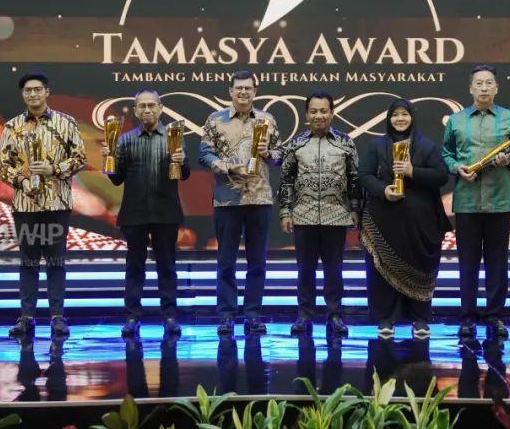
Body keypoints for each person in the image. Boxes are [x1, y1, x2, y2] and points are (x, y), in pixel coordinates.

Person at [0, 71, 86, 338]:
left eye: (37, 89)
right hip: (26, 205)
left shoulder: (66, 123)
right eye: (28, 90)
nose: (33, 94)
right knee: (28, 262)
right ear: (22, 94)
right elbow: (2, 165)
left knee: (56, 261)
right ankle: (26, 318)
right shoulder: (12, 126)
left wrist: (53, 169)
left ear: (47, 92)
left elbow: (79, 158)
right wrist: (21, 180)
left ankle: (57, 317)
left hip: (56, 204)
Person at [441, 65, 510, 339]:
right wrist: (457, 168)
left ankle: (494, 316)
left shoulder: (509, 118)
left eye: (489, 83)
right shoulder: (456, 121)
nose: (484, 88)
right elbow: (446, 154)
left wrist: (508, 160)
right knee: (467, 264)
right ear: (470, 88)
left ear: (496, 88)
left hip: (499, 201)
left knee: (497, 263)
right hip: (466, 201)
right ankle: (467, 318)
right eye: (479, 83)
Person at [199, 70, 283, 335]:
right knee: (226, 262)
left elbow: (280, 155)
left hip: (260, 198)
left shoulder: (267, 120)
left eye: (248, 88)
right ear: (231, 91)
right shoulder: (215, 120)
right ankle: (226, 315)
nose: (243, 92)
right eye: (239, 88)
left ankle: (253, 315)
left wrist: (268, 153)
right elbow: (204, 155)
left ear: (255, 91)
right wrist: (228, 167)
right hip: (227, 200)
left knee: (257, 263)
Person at [360, 99, 450, 339]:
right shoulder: (376, 146)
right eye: (395, 115)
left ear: (412, 117)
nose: (400, 119)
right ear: (388, 119)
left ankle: (420, 319)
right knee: (381, 271)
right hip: (384, 220)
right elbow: (364, 175)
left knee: (420, 269)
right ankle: (385, 319)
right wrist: (383, 190)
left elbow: (441, 176)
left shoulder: (427, 147)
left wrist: (412, 172)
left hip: (420, 225)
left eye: (404, 114)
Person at [105, 90, 188, 338]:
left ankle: (170, 316)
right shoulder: (124, 140)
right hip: (134, 212)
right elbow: (116, 179)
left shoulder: (173, 137)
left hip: (166, 211)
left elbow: (183, 175)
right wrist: (109, 161)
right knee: (134, 267)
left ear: (161, 109)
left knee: (167, 267)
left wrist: (182, 161)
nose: (147, 110)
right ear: (135, 110)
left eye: (152, 105)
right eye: (142, 106)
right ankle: (132, 316)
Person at [278, 91, 360, 337]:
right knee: (305, 270)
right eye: (313, 111)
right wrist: (285, 211)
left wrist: (355, 210)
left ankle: (335, 315)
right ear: (306, 115)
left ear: (332, 113)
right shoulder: (296, 144)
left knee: (334, 270)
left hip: (337, 216)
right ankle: (304, 315)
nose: (319, 115)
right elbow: (286, 180)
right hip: (303, 215)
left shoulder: (345, 142)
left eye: (324, 111)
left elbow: (355, 179)